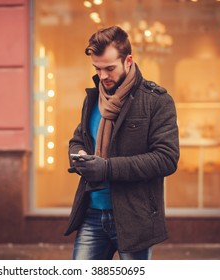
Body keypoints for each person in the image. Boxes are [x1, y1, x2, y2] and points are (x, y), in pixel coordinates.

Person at [65, 26, 180, 260]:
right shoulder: (94, 99)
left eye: (109, 68)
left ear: (128, 61)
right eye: (97, 68)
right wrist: (79, 155)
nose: (103, 76)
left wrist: (106, 168)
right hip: (91, 214)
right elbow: (78, 139)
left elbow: (167, 159)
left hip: (134, 218)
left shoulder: (157, 101)